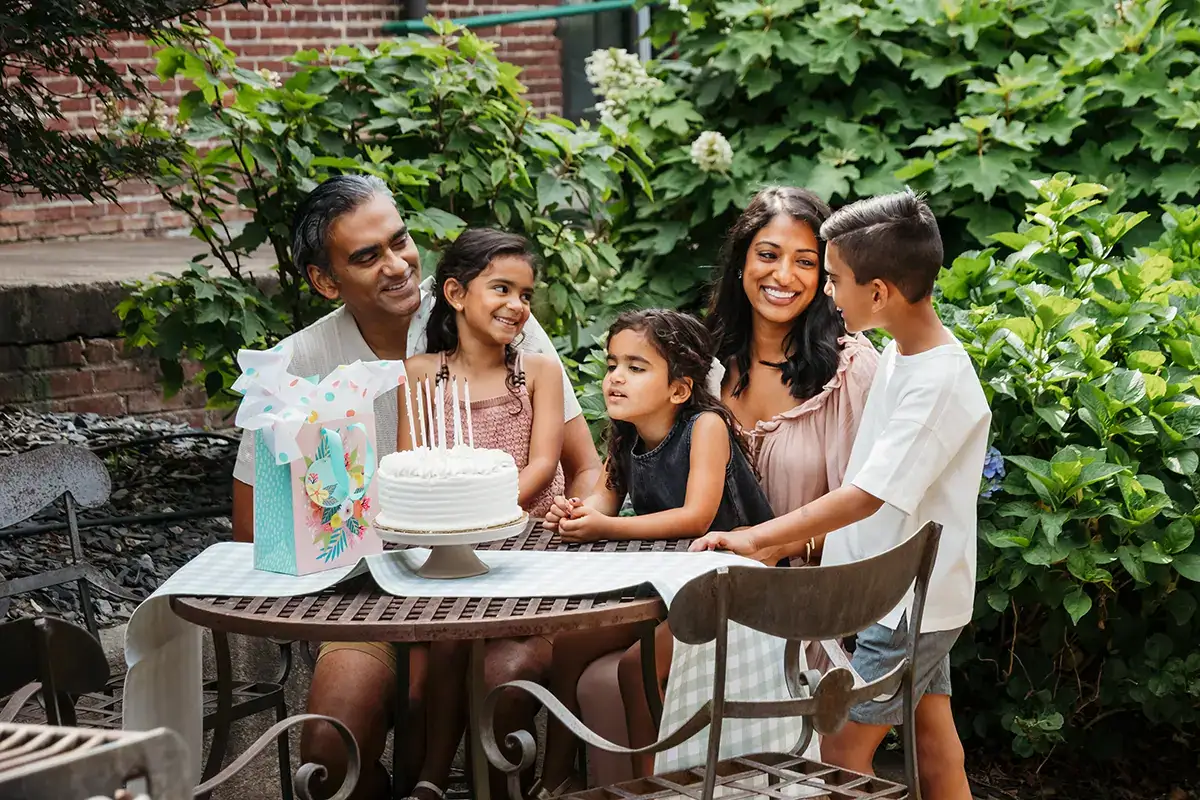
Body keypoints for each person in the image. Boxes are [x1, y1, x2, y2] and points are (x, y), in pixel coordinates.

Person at [229, 175, 602, 800]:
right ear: (326, 281)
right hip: (369, 596)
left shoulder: (486, 306)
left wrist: (574, 522)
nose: (398, 265)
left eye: (399, 240)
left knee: (489, 684)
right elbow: (251, 526)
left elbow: (583, 465)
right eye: (367, 256)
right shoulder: (296, 366)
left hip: (508, 576)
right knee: (328, 748)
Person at [570, 186, 879, 789]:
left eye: (805, 261)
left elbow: (866, 508)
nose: (783, 275)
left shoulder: (850, 369)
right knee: (566, 651)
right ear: (741, 262)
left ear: (826, 275)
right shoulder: (703, 364)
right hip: (688, 576)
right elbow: (632, 452)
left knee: (617, 678)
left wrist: (777, 546)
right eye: (767, 254)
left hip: (797, 595)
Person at [691, 189, 990, 800]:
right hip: (908, 595)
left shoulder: (938, 382)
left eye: (833, 278)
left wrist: (758, 539)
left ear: (877, 292)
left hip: (904, 605)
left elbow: (864, 495)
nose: (825, 292)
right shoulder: (909, 355)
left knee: (840, 753)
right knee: (935, 740)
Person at [536, 309, 774, 793]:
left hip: (737, 586)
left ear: (680, 389)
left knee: (634, 666)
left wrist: (605, 528)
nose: (616, 378)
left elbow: (696, 517)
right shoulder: (626, 432)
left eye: (636, 367)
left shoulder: (705, 426)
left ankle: (652, 787)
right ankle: (557, 779)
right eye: (611, 365)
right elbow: (601, 500)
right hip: (673, 586)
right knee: (568, 646)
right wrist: (574, 513)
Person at [397, 228, 566, 800]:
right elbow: (411, 465)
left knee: (489, 663)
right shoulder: (420, 377)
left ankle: (470, 782)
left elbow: (543, 464)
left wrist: (482, 513)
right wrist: (456, 530)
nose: (518, 305)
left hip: (528, 552)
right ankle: (434, 777)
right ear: (456, 292)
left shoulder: (538, 371)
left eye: (526, 294)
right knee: (449, 633)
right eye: (502, 289)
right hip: (448, 556)